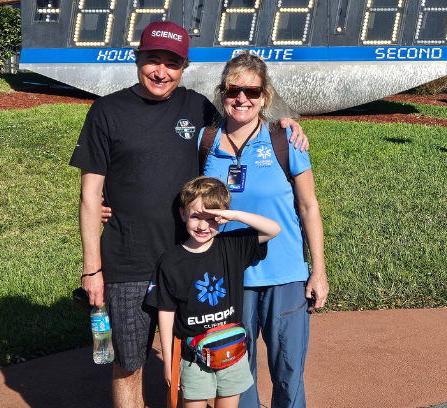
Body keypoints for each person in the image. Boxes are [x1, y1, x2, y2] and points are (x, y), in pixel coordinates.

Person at [69, 22, 306, 408]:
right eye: (153, 60)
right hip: (129, 261)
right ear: (137, 59)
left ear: (183, 67)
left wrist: (284, 122)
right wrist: (92, 270)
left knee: (198, 360)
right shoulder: (106, 111)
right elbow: (89, 195)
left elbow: (243, 114)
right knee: (129, 363)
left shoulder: (197, 107)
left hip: (191, 259)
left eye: (172, 63)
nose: (161, 72)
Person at [199, 52, 329, 408]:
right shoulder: (205, 142)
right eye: (233, 89)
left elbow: (308, 206)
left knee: (288, 373)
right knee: (237, 378)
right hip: (229, 277)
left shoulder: (285, 140)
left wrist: (318, 270)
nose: (242, 99)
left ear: (264, 97)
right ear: (222, 92)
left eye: (252, 92)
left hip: (284, 276)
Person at [145, 177, 280, 408]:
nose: (203, 226)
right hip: (192, 357)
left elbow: (273, 229)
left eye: (211, 218)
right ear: (183, 214)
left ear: (222, 217)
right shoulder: (171, 262)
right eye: (196, 216)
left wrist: (234, 215)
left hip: (231, 353)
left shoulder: (233, 247)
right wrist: (168, 361)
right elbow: (166, 313)